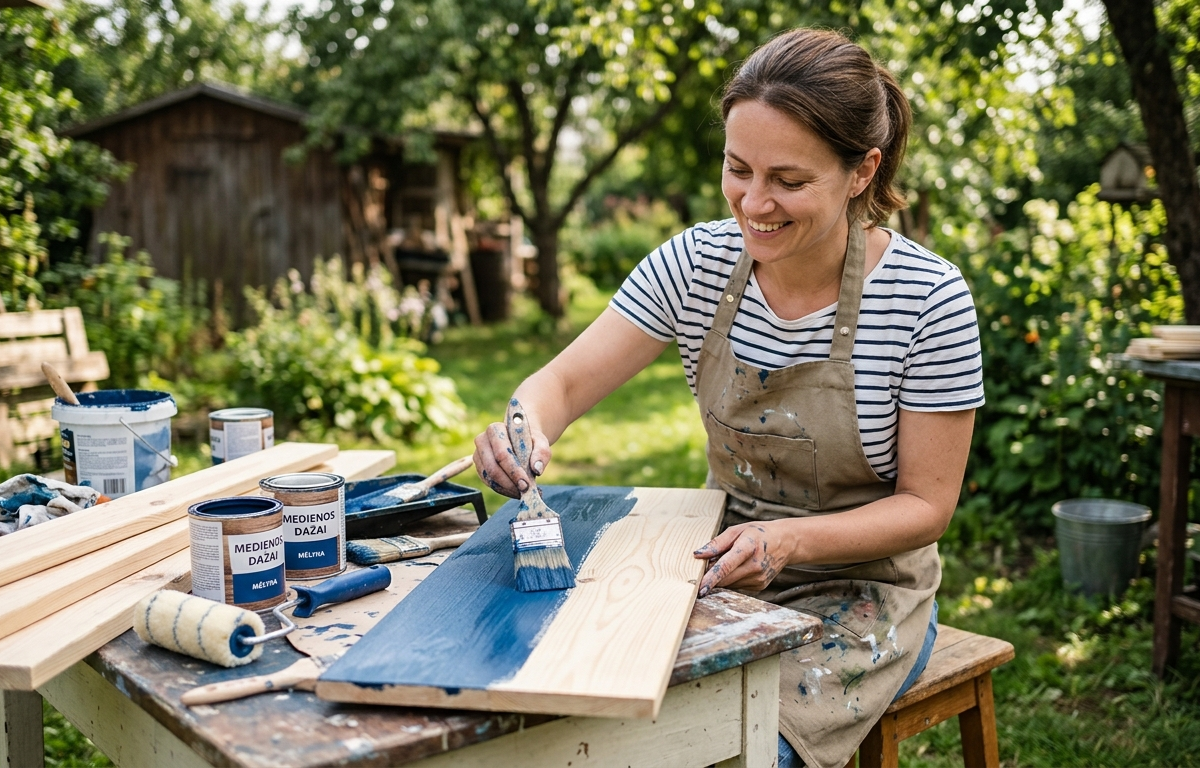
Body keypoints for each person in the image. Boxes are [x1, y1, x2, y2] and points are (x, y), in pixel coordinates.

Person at [473, 27, 983, 768]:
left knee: (733, 751)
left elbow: (926, 507)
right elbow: (561, 383)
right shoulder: (697, 264)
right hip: (713, 565)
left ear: (861, 171)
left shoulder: (926, 299)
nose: (755, 202)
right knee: (594, 721)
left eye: (788, 179)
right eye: (738, 169)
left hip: (865, 593)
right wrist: (521, 426)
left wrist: (787, 543)